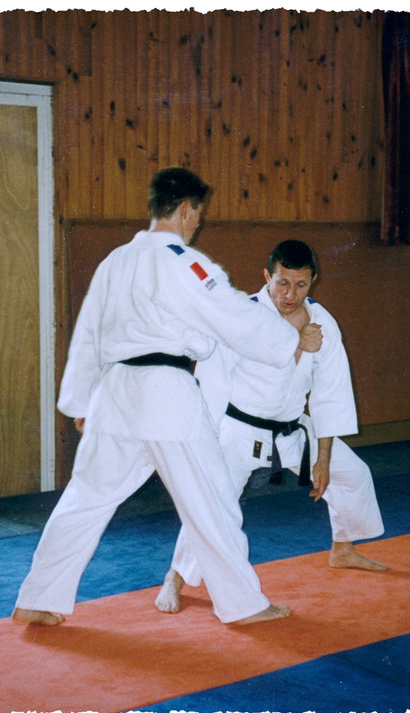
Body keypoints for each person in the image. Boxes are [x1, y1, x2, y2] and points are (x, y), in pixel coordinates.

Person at [12, 167, 322, 627]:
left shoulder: (115, 260)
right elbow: (231, 312)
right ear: (184, 209)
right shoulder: (183, 262)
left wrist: (81, 402)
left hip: (115, 394)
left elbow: (88, 333)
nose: (197, 224)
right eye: (197, 215)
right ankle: (243, 604)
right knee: (212, 498)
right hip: (166, 395)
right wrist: (289, 337)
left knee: (86, 497)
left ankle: (37, 598)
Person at [154, 240, 386, 615]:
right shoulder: (242, 316)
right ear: (267, 277)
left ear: (314, 281)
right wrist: (204, 445)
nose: (290, 295)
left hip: (294, 432)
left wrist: (323, 458)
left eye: (300, 285)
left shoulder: (323, 322)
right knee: (212, 503)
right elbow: (213, 384)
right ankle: (175, 578)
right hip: (238, 431)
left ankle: (343, 549)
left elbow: (331, 394)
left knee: (352, 474)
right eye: (282, 284)